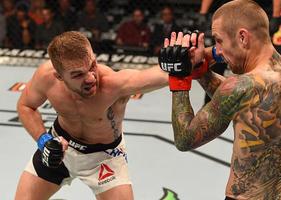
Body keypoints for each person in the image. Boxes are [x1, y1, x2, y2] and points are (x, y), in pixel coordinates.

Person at [159, 0, 281, 199]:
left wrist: (179, 78)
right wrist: (201, 72)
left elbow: (185, 139)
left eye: (219, 40)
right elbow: (248, 100)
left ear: (242, 37)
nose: (218, 51)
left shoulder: (240, 87)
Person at [15, 31, 168, 200]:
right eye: (78, 74)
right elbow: (26, 106)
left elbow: (156, 76)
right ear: (59, 76)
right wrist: (44, 141)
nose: (91, 78)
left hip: (105, 157)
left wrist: (181, 62)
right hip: (60, 147)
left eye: (92, 66)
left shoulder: (112, 84)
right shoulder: (46, 77)